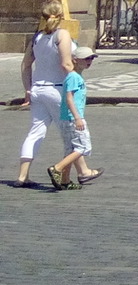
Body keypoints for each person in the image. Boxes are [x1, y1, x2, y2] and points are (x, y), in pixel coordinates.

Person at [13, 0, 73, 187]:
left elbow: (25, 64)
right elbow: (66, 64)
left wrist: (27, 89)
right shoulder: (62, 34)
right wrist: (77, 83)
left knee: (35, 132)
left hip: (38, 89)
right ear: (61, 16)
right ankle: (64, 176)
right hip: (57, 89)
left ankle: (22, 176)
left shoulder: (37, 37)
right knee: (69, 134)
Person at [46, 43, 99, 189]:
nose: (89, 61)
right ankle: (57, 168)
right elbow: (69, 98)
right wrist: (77, 118)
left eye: (91, 58)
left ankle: (65, 180)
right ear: (75, 60)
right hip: (73, 118)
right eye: (86, 58)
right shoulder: (73, 77)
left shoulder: (75, 76)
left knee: (70, 149)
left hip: (67, 117)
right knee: (83, 147)